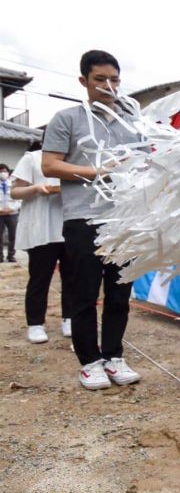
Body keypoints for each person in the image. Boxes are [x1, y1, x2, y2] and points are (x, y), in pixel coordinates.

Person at [42, 50, 142, 390]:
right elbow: (50, 165)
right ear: (84, 81)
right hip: (84, 217)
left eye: (114, 79)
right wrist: (95, 171)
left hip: (125, 218)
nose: (108, 86)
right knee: (84, 293)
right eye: (100, 79)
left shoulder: (132, 121)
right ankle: (89, 362)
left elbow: (147, 161)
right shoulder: (67, 118)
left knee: (120, 292)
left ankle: (114, 356)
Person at [11, 140, 72, 343]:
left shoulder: (76, 159)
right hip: (42, 227)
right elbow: (15, 191)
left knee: (74, 278)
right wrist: (37, 188)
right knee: (40, 277)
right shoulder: (33, 158)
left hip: (71, 226)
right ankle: (35, 323)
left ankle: (69, 318)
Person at [0, 163, 20, 263]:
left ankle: (11, 255)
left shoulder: (13, 184)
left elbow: (20, 200)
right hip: (0, 215)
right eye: (1, 171)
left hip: (12, 214)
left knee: (13, 236)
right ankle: (0, 256)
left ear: (8, 172)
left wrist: (11, 209)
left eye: (5, 171)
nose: (3, 173)